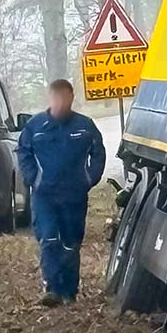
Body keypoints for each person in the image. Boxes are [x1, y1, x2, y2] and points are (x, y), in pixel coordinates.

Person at [16, 79, 106, 306]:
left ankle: (69, 290)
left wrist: (89, 178)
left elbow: (98, 153)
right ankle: (52, 288)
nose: (61, 103)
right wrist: (34, 179)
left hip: (74, 195)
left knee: (70, 242)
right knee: (48, 238)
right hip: (45, 195)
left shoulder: (85, 126)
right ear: (51, 98)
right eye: (57, 98)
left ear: (72, 98)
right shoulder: (35, 127)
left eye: (66, 99)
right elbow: (23, 154)